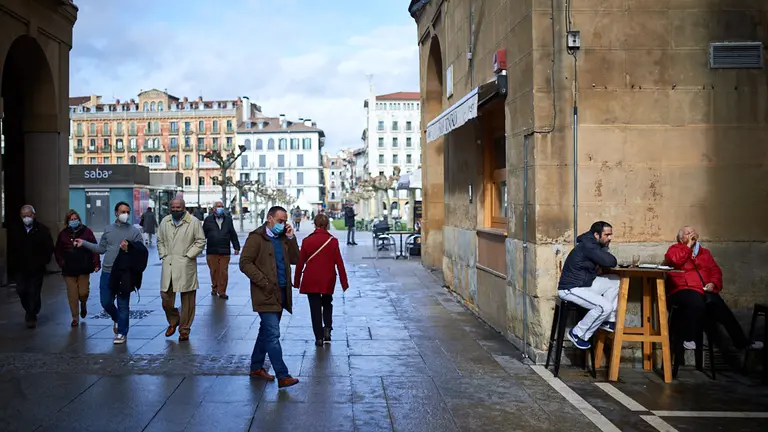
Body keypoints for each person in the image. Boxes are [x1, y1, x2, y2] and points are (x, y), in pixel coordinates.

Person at [665, 226, 763, 351]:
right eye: (687, 233)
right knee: (696, 301)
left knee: (721, 308)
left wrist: (713, 283)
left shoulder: (705, 253)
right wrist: (688, 246)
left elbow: (715, 271)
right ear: (680, 238)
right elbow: (675, 260)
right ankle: (689, 338)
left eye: (692, 233)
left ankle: (742, 342)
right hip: (683, 289)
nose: (691, 235)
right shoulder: (674, 249)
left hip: (703, 290)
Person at [240, 206, 300, 388]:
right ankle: (283, 375)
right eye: (280, 221)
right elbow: (244, 263)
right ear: (270, 218)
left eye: (285, 221)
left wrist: (291, 238)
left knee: (265, 332)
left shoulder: (283, 238)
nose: (283, 224)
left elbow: (296, 259)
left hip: (281, 292)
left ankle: (256, 367)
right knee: (273, 334)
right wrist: (263, 282)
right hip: (265, 293)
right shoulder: (256, 238)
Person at [76, 201, 143, 344]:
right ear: (116, 213)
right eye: (122, 211)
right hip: (107, 272)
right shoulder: (108, 230)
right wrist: (84, 243)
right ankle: (117, 318)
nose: (125, 214)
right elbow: (101, 249)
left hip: (124, 273)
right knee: (105, 302)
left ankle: (122, 333)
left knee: (123, 304)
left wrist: (129, 248)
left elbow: (141, 252)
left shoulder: (134, 232)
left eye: (127, 212)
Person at [557, 221, 620, 349]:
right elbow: (610, 261)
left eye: (611, 235)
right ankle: (577, 334)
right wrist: (604, 250)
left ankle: (607, 320)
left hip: (584, 283)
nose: (610, 238)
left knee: (614, 280)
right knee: (604, 306)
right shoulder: (589, 246)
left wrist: (604, 248)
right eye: (607, 235)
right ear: (596, 235)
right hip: (570, 288)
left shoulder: (593, 244)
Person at [294, 213, 349, 346]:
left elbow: (300, 263)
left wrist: (296, 281)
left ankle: (318, 337)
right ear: (327, 225)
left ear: (315, 224)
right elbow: (339, 263)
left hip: (311, 279)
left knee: (315, 308)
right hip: (327, 279)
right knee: (327, 303)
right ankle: (328, 328)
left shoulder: (307, 241)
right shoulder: (333, 241)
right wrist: (344, 282)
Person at [157, 198, 206, 342]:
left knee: (188, 300)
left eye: (178, 207)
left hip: (186, 265)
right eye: (173, 207)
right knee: (165, 296)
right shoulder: (165, 221)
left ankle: (184, 329)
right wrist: (163, 254)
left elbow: (201, 241)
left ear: (184, 208)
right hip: (169, 264)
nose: (175, 209)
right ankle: (173, 320)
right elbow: (159, 239)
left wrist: (189, 255)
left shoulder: (193, 222)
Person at [10, 205, 54, 328]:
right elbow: (11, 249)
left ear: (34, 215)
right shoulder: (15, 230)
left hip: (37, 267)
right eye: (24, 215)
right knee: (21, 290)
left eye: (28, 215)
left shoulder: (42, 230)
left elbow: (49, 247)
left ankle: (31, 313)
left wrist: (43, 261)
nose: (26, 218)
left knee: (33, 291)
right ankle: (29, 309)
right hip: (20, 267)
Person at [55, 210, 100, 327]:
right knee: (72, 295)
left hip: (84, 267)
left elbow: (95, 248)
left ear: (79, 220)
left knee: (83, 292)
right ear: (67, 221)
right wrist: (62, 263)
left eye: (75, 219)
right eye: (71, 219)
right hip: (69, 269)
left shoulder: (87, 232)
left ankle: (83, 303)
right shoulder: (63, 234)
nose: (74, 221)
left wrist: (96, 263)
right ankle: (75, 317)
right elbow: (58, 251)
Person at [203, 200, 241, 300]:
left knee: (223, 272)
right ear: (213, 208)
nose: (220, 208)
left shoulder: (228, 219)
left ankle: (222, 291)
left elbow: (233, 233)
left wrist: (236, 247)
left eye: (221, 206)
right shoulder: (208, 220)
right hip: (212, 250)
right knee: (214, 271)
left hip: (225, 251)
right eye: (218, 206)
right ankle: (214, 288)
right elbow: (203, 234)